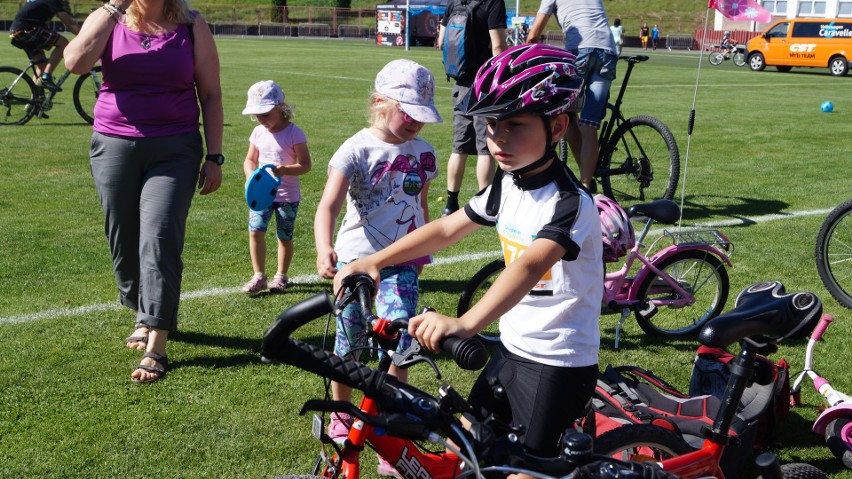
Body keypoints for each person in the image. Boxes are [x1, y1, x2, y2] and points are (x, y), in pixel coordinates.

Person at [336, 45, 602, 477]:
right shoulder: (508, 184)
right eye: (491, 124)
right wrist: (375, 262)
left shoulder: (570, 204)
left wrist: (464, 324)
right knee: (468, 449)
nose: (497, 137)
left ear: (556, 126)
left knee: (524, 472)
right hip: (512, 350)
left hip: (559, 362)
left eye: (514, 125)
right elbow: (446, 228)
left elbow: (529, 266)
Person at [64, 0, 224, 383]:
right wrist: (113, 7)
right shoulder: (108, 18)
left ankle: (157, 344)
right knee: (123, 239)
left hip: (175, 149)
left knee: (160, 238)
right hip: (113, 145)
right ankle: (141, 309)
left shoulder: (191, 25)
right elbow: (75, 63)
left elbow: (212, 93)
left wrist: (214, 155)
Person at [313, 58, 441, 477]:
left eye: (422, 116)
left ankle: (393, 424)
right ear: (379, 102)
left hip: (403, 261)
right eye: (409, 113)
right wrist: (323, 249)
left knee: (398, 338)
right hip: (355, 264)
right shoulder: (356, 148)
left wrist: (420, 253)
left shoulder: (424, 153)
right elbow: (328, 205)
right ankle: (343, 413)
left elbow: (420, 205)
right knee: (349, 343)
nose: (416, 124)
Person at [526, 0, 617, 192]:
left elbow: (534, 34)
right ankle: (585, 183)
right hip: (608, 50)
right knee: (590, 125)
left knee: (564, 113)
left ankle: (584, 186)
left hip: (580, 49)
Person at [437, 0, 508, 217]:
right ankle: (486, 203)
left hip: (460, 84)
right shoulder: (493, 2)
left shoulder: (453, 2)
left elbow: (441, 42)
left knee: (459, 147)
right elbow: (497, 46)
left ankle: (450, 203)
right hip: (483, 84)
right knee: (485, 147)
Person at [241, 80, 312, 295]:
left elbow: (306, 165)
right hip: (261, 195)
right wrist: (252, 177)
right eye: (257, 115)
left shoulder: (294, 133)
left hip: (287, 196)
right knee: (255, 232)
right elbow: (249, 160)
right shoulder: (258, 132)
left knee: (284, 237)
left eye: (265, 114)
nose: (261, 119)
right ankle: (259, 276)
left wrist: (286, 170)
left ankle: (281, 276)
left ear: (281, 108)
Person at [9, 0, 81, 92]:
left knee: (42, 65)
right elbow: (70, 23)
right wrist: (85, 36)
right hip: (26, 29)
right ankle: (46, 77)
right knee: (63, 43)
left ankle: (34, 101)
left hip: (19, 30)